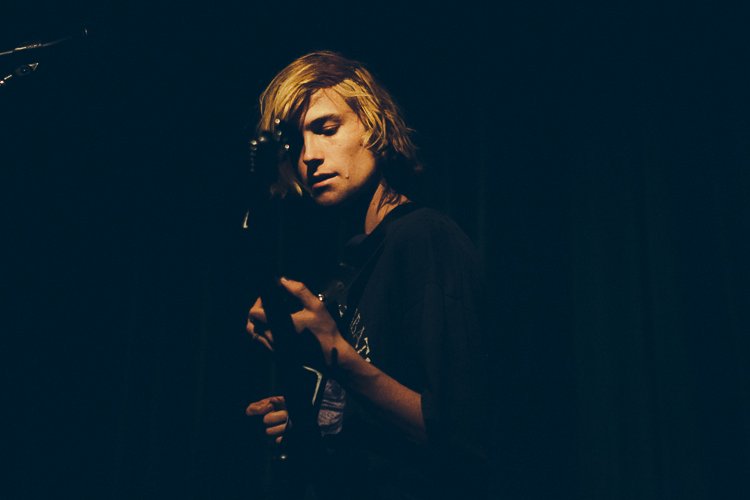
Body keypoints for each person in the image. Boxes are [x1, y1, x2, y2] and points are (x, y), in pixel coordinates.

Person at [245, 51, 489, 499]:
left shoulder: (422, 237)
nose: (310, 156)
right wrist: (311, 415)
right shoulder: (353, 267)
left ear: (374, 128)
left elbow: (462, 433)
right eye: (296, 143)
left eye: (326, 129)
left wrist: (337, 354)